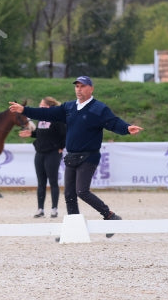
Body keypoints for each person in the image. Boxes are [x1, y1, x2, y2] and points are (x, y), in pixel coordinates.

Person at [9, 76, 143, 237]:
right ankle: (74, 229)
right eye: (77, 86)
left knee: (82, 191)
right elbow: (47, 113)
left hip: (89, 156)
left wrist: (127, 128)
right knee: (69, 194)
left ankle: (110, 216)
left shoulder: (99, 109)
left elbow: (113, 122)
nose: (78, 89)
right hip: (71, 156)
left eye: (82, 86)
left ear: (91, 89)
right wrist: (25, 110)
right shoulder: (69, 107)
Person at [18, 96, 66, 218]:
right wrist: (32, 134)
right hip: (40, 153)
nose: (39, 107)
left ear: (48, 107)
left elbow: (65, 133)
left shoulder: (57, 118)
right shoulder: (41, 119)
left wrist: (62, 146)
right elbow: (42, 133)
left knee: (53, 182)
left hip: (53, 153)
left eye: (42, 105)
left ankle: (54, 209)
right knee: (41, 183)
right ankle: (40, 209)